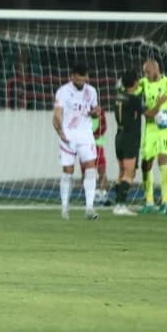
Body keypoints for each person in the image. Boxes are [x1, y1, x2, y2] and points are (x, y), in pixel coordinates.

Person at [136, 57, 167, 213]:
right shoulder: (143, 83)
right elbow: (132, 92)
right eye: (144, 72)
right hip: (150, 128)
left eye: (148, 71)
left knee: (163, 162)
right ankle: (149, 202)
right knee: (146, 165)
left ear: (156, 69)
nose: (146, 74)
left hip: (165, 129)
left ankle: (164, 202)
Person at [52, 63, 100, 220]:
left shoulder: (91, 91)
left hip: (86, 135)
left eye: (83, 80)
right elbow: (57, 114)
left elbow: (94, 111)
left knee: (91, 169)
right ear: (72, 76)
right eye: (77, 80)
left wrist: (95, 113)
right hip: (69, 135)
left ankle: (89, 208)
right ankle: (65, 207)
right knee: (68, 172)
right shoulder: (63, 91)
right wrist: (60, 132)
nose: (80, 82)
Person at [110, 71, 154, 216]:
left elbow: (120, 86)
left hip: (119, 136)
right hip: (130, 137)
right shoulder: (134, 99)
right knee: (130, 173)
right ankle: (120, 205)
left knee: (122, 172)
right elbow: (148, 113)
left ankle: (118, 204)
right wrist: (160, 102)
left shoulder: (118, 95)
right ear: (135, 83)